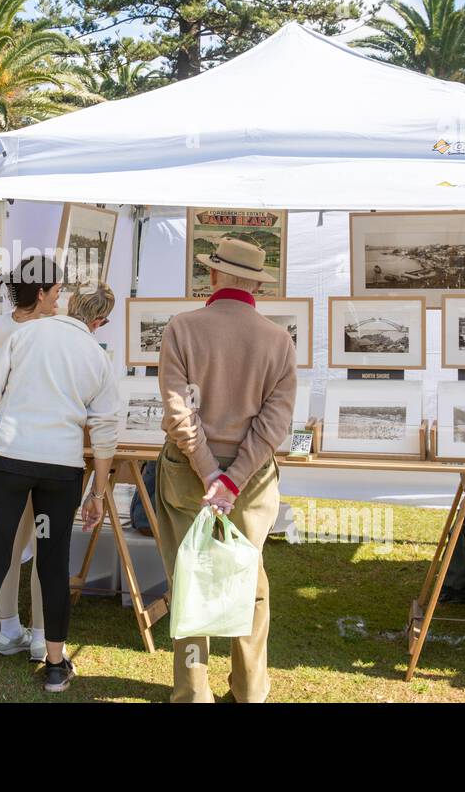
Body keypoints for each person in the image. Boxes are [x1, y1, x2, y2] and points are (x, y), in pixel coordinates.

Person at [0, 281, 119, 699]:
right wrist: (98, 492)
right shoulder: (97, 356)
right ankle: (55, 667)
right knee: (52, 564)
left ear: (68, 304)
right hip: (60, 469)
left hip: (9, 459)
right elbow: (106, 430)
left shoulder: (26, 334)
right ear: (100, 321)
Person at [155, 237, 297, 703]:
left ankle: (193, 692)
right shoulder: (278, 340)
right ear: (257, 283)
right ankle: (250, 690)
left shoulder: (182, 328)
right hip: (250, 482)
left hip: (186, 476)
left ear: (213, 276)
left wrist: (210, 473)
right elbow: (274, 424)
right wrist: (231, 479)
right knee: (250, 583)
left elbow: (180, 416)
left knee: (190, 580)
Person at [0, 255, 61, 661]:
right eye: (57, 290)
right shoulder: (51, 330)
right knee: (44, 543)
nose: (60, 297)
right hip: (45, 449)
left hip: (4, 446)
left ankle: (10, 628)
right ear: (43, 292)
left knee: (11, 543)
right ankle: (39, 636)